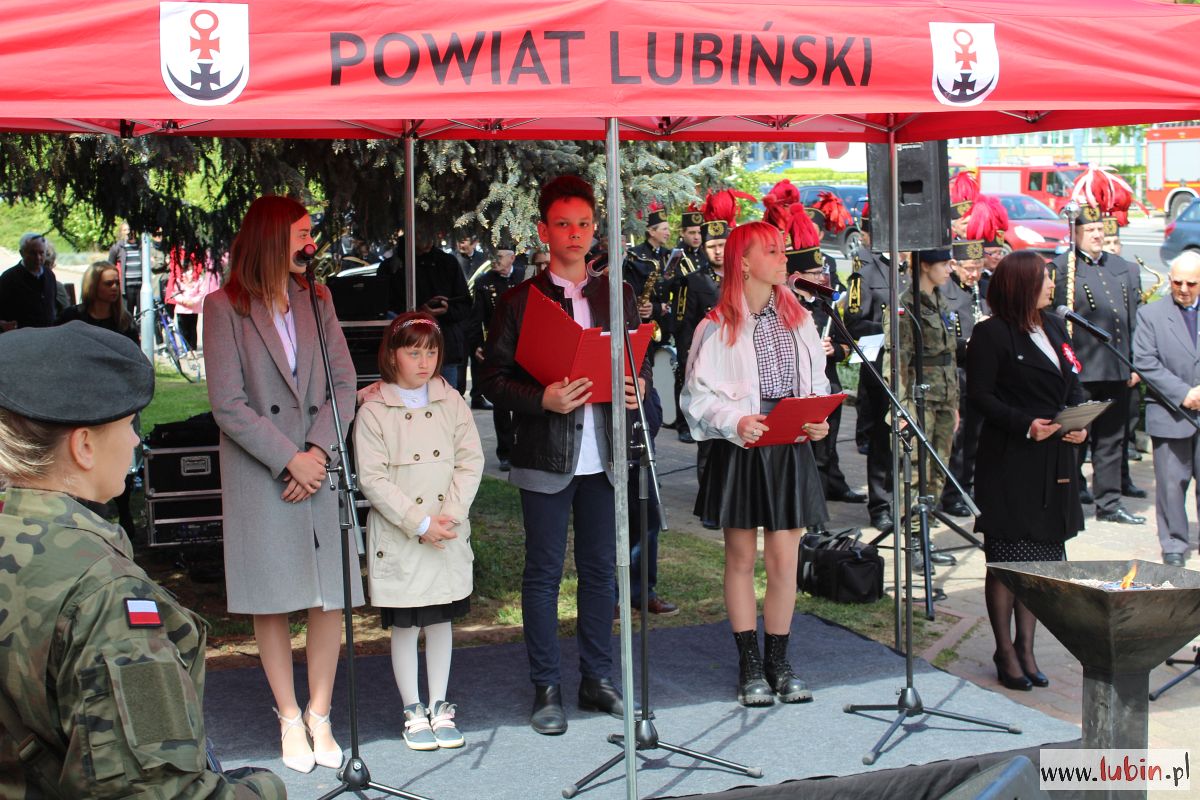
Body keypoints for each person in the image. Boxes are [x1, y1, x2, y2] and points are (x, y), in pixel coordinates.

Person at [0, 322, 285, 800]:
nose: (136, 441)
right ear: (83, 446)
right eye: (129, 425)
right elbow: (155, 791)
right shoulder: (106, 594)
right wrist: (265, 789)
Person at [480, 174, 651, 735]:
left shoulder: (617, 294)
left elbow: (636, 362)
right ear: (543, 231)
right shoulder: (518, 301)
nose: (575, 234)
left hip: (607, 458)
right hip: (544, 456)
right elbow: (492, 381)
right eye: (563, 224)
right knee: (544, 574)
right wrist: (542, 399)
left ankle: (597, 679)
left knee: (602, 571)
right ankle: (547, 686)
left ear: (595, 229)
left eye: (583, 224)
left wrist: (638, 387)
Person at [203, 195, 361, 773]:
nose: (310, 243)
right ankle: (289, 717)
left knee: (328, 596)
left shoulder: (318, 298)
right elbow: (227, 403)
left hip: (317, 465)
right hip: (263, 470)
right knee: (270, 600)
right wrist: (288, 460)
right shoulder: (223, 307)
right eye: (301, 233)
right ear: (271, 238)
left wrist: (317, 453)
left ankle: (321, 713)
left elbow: (343, 384)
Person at [681, 221, 830, 707]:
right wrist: (736, 420)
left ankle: (779, 662)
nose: (784, 258)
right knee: (741, 558)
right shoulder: (715, 325)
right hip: (742, 445)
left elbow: (817, 380)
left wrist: (818, 418)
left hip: (789, 444)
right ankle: (750, 665)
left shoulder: (800, 319)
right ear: (743, 263)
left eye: (783, 250)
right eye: (773, 251)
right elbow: (696, 398)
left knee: (785, 559)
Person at [354, 312, 484, 750]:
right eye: (414, 352)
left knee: (441, 619)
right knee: (407, 624)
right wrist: (420, 522)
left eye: (431, 352)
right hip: (403, 533)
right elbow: (372, 478)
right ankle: (413, 707)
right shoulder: (374, 410)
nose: (424, 362)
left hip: (447, 528)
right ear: (393, 355)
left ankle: (440, 704)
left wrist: (451, 514)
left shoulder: (452, 400)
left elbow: (470, 460)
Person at [968, 251, 1087, 691]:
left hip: (1054, 460)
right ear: (1021, 286)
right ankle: (1005, 650)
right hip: (1011, 459)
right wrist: (1025, 425)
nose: (1052, 286)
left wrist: (1080, 423)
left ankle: (1027, 647)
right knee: (1008, 559)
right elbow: (980, 396)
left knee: (1039, 562)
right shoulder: (991, 334)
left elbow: (1072, 382)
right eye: (1044, 279)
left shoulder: (1054, 325)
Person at [1051, 205, 1144, 525]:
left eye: (1100, 229)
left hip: (1116, 367)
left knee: (1112, 440)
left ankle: (1109, 502)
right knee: (1076, 437)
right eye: (1089, 230)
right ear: (1075, 233)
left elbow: (1132, 319)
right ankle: (1070, 496)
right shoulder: (1063, 269)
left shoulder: (1121, 267)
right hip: (1082, 370)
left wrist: (1134, 362)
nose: (1097, 235)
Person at [883, 248, 961, 569]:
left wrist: (955, 404)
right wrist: (901, 409)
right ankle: (913, 540)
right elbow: (896, 362)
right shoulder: (905, 306)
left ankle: (925, 534)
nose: (950, 269)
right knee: (916, 472)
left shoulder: (941, 301)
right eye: (944, 263)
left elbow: (950, 358)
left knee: (938, 471)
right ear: (925, 266)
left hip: (943, 398)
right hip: (918, 402)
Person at [1133, 250, 1200, 567]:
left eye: (1191, 283)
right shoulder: (1151, 314)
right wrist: (1183, 394)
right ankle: (1173, 543)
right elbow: (1145, 362)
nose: (1183, 289)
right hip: (1171, 412)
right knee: (1172, 484)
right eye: (1177, 282)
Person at [844, 208, 908, 532]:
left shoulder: (912, 272)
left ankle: (907, 503)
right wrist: (891, 329)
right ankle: (881, 504)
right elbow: (854, 322)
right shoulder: (865, 273)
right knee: (884, 439)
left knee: (909, 439)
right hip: (882, 364)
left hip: (910, 368)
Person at [787, 249, 860, 509]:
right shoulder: (786, 304)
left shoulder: (824, 304)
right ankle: (811, 504)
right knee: (807, 449)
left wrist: (832, 349)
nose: (821, 278)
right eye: (815, 273)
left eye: (822, 272)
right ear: (797, 276)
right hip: (798, 387)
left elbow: (846, 346)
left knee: (827, 444)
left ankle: (830, 486)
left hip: (827, 383)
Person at [676, 219, 729, 526]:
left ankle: (730, 500)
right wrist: (688, 370)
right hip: (707, 370)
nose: (718, 251)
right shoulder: (694, 281)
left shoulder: (743, 278)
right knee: (708, 439)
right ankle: (709, 504)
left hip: (736, 372)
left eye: (722, 245)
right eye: (712, 246)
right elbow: (685, 328)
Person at [939, 241, 989, 517]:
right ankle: (951, 494)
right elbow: (941, 339)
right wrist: (966, 344)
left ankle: (968, 487)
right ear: (954, 265)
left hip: (981, 375)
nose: (974, 274)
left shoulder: (983, 291)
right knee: (956, 438)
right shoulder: (945, 292)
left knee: (977, 437)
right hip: (956, 374)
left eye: (978, 267)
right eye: (969, 268)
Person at [470, 244, 524, 470]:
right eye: (493, 256)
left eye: (500, 256)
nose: (495, 260)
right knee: (500, 401)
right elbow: (476, 316)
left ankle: (522, 447)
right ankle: (505, 452)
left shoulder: (522, 276)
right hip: (497, 346)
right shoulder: (484, 282)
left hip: (523, 346)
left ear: (512, 258)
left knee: (523, 398)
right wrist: (476, 345)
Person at [58, 260, 137, 341]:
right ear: (93, 286)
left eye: (117, 283)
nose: (114, 287)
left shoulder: (125, 320)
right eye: (108, 284)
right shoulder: (71, 317)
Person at [0, 233, 56, 330]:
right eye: (33, 253)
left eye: (41, 253)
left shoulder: (49, 275)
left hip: (47, 333)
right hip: (21, 335)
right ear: (22, 253)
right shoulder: (8, 278)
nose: (38, 257)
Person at [167, 247, 220, 350]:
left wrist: (193, 301)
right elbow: (175, 291)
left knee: (192, 329)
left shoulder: (198, 277)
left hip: (193, 308)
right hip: (182, 308)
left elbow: (202, 291)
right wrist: (183, 301)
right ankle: (186, 348)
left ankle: (193, 348)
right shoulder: (179, 277)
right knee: (183, 330)